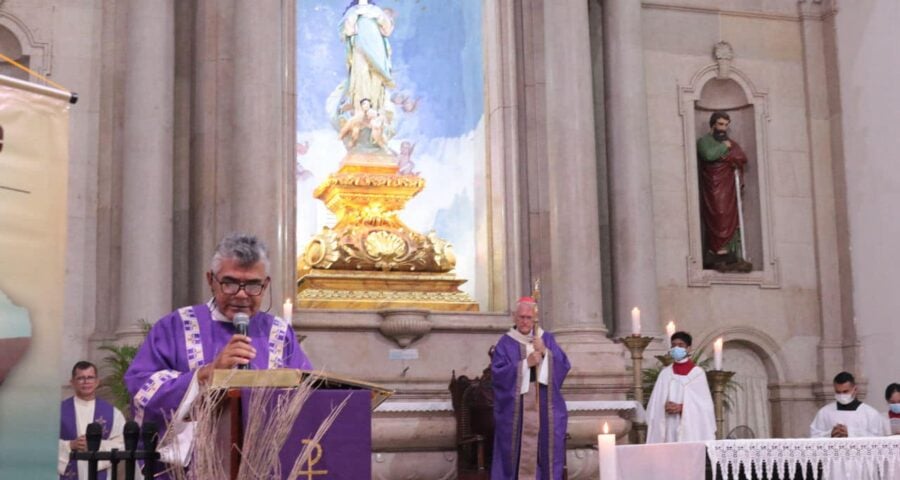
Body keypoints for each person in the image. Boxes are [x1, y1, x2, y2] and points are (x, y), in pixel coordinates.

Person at [124, 233, 313, 476]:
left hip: (266, 466)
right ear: (211, 280)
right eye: (230, 283)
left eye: (253, 285)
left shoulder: (278, 334)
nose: (242, 294)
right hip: (193, 469)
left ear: (266, 285)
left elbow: (308, 393)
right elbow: (141, 388)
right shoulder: (176, 326)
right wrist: (204, 376)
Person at [491, 297, 570, 479]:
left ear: (535, 318)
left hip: (544, 403)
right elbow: (498, 374)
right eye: (521, 317)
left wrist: (545, 353)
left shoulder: (546, 338)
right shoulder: (506, 342)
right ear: (514, 318)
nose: (525, 321)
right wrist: (526, 364)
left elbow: (564, 365)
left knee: (546, 446)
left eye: (529, 317)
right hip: (517, 408)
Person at [697, 111, 751, 272]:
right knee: (718, 214)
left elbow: (741, 156)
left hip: (728, 186)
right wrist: (724, 149)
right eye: (720, 124)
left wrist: (730, 157)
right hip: (714, 184)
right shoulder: (704, 141)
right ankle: (716, 253)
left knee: (729, 216)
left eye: (726, 125)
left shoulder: (730, 143)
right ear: (713, 124)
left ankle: (732, 255)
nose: (723, 128)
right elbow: (708, 154)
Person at [58, 361, 126, 480]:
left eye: (90, 377)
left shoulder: (113, 414)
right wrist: (70, 445)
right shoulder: (58, 411)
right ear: (72, 382)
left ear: (97, 382)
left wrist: (95, 445)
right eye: (80, 378)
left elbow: (122, 444)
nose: (86, 382)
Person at [646, 331, 716, 443]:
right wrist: (663, 406)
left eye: (680, 345)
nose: (676, 348)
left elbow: (705, 407)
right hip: (669, 424)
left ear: (688, 348)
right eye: (673, 345)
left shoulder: (697, 374)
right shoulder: (665, 373)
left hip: (690, 426)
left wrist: (682, 408)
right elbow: (655, 403)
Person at [341, 0, 394, 112]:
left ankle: (375, 106)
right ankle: (363, 102)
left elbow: (387, 30)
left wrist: (379, 17)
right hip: (360, 48)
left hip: (376, 48)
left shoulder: (376, 11)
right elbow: (347, 31)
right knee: (361, 73)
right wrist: (354, 18)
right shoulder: (352, 12)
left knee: (375, 75)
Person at [809, 371, 888, 437]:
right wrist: (830, 434)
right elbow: (813, 435)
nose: (841, 395)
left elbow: (878, 438)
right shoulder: (824, 412)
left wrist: (851, 433)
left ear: (855, 390)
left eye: (845, 391)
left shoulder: (870, 413)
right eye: (838, 392)